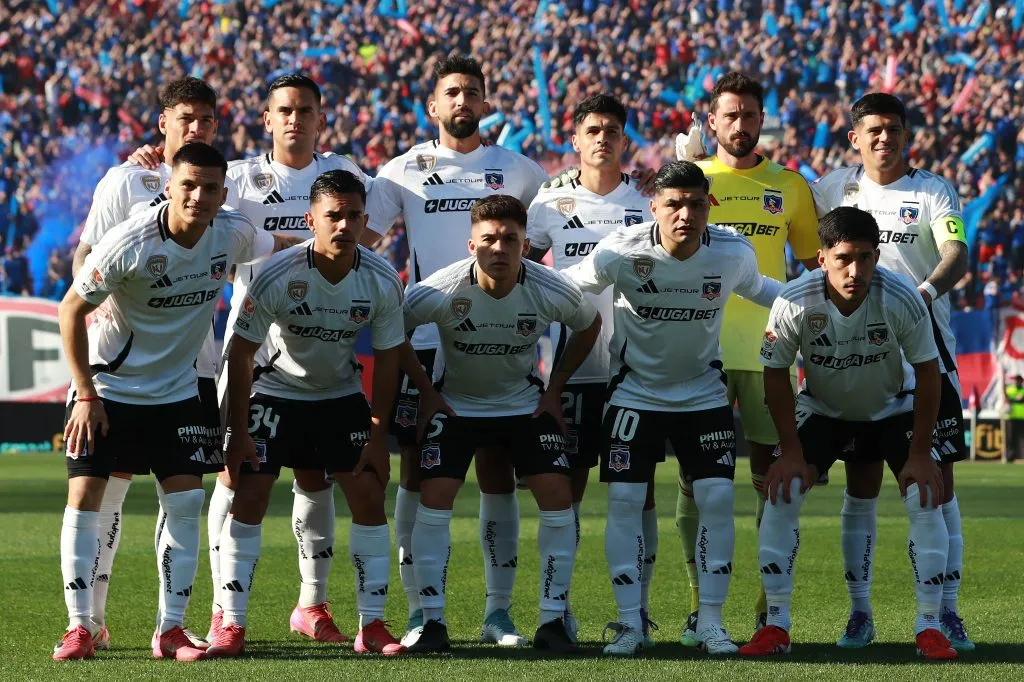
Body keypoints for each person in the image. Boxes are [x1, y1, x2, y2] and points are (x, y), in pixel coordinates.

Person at [133, 73, 371, 644]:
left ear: (321, 118)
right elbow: (182, 197)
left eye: (305, 110)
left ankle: (312, 605)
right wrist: (150, 156)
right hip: (251, 357)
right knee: (234, 477)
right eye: (284, 110)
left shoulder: (346, 175)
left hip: (321, 357)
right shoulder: (236, 178)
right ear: (267, 119)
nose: (295, 119)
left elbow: (370, 234)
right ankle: (224, 612)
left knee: (316, 479)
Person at [53, 142, 280, 662]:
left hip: (178, 392)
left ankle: (171, 630)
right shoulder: (130, 241)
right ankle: (81, 627)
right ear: (170, 187)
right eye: (189, 185)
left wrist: (332, 244)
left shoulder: (233, 232)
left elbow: (278, 243)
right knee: (85, 497)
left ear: (224, 193)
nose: (198, 196)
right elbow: (70, 310)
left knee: (185, 503)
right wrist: (85, 393)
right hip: (110, 389)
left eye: (210, 188)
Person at [364, 54, 549, 647]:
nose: (463, 100)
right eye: (452, 92)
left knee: (497, 471)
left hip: (498, 342)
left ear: (486, 104)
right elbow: (362, 243)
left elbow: (550, 237)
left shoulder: (520, 171)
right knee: (418, 473)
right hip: (423, 343)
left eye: (472, 91)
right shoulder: (402, 172)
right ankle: (421, 611)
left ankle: (498, 614)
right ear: (433, 106)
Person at [564, 161, 783, 656]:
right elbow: (568, 286)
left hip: (702, 394)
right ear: (654, 207)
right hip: (635, 394)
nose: (686, 214)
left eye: (696, 204)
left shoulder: (732, 252)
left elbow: (766, 291)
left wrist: (823, 294)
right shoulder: (621, 250)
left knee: (718, 499)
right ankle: (629, 624)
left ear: (710, 206)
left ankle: (710, 622)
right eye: (674, 204)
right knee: (624, 501)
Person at [740, 206, 957, 661]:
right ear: (822, 258)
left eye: (864, 257)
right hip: (823, 410)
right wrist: (791, 450)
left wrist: (921, 452)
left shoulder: (901, 297)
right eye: (843, 258)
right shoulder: (794, 300)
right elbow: (775, 373)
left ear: (877, 256)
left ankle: (930, 626)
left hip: (892, 407)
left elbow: (928, 371)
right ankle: (776, 625)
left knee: (924, 495)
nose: (854, 270)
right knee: (782, 491)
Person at [208, 170, 409, 657]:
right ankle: (231, 622)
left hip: (339, 395)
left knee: (368, 494)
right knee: (250, 494)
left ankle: (372, 624)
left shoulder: (381, 278)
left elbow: (389, 359)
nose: (344, 225)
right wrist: (238, 430)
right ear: (310, 220)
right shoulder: (279, 273)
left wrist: (378, 436)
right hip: (277, 392)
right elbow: (240, 352)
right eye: (333, 215)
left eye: (354, 216)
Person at [400, 195, 601, 654]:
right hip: (457, 406)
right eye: (489, 239)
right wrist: (426, 390)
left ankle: (551, 620)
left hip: (523, 406)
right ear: (472, 245)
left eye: (510, 239)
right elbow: (394, 327)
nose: (499, 248)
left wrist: (556, 387)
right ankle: (431, 622)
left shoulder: (550, 288)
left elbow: (588, 326)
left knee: (558, 496)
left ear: (525, 245)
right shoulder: (441, 289)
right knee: (435, 498)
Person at [811, 93, 973, 650]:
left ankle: (946, 611)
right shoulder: (831, 189)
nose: (885, 138)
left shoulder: (932, 190)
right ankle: (860, 613)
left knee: (936, 485)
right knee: (861, 486)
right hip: (857, 359)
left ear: (907, 135)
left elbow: (956, 252)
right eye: (874, 130)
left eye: (894, 129)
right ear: (854, 137)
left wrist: (923, 292)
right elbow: (773, 206)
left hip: (925, 354)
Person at [70, 76, 220, 652]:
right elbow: (88, 253)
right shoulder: (127, 180)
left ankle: (171, 624)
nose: (196, 128)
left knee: (180, 495)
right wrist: (97, 304)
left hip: (195, 365)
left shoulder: (224, 182)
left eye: (206, 119)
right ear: (164, 123)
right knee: (108, 490)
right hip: (124, 364)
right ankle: (90, 620)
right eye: (186, 118)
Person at [674, 72, 821, 642]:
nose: (740, 124)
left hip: (770, 354)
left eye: (749, 115)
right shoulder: (690, 180)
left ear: (762, 121)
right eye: (730, 115)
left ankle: (767, 610)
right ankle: (697, 608)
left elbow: (812, 269)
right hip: (699, 350)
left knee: (774, 480)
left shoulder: (791, 186)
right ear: (711, 122)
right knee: (695, 480)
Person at [526, 93, 653, 643]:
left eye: (612, 130)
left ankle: (638, 612)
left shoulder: (648, 201)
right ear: (575, 139)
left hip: (638, 372)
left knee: (640, 493)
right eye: (593, 130)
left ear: (625, 140)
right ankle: (559, 609)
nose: (603, 138)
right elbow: (522, 277)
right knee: (567, 490)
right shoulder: (548, 204)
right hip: (574, 371)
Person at [1005, 375, 1024, 461]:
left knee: (1021, 438)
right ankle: (1010, 456)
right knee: (1010, 438)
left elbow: (1020, 400)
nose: (1017, 382)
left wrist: (1011, 399)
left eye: (1018, 381)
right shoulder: (1010, 389)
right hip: (1011, 417)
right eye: (1016, 380)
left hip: (1022, 418)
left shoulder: (1023, 390)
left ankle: (1021, 456)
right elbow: (1006, 398)